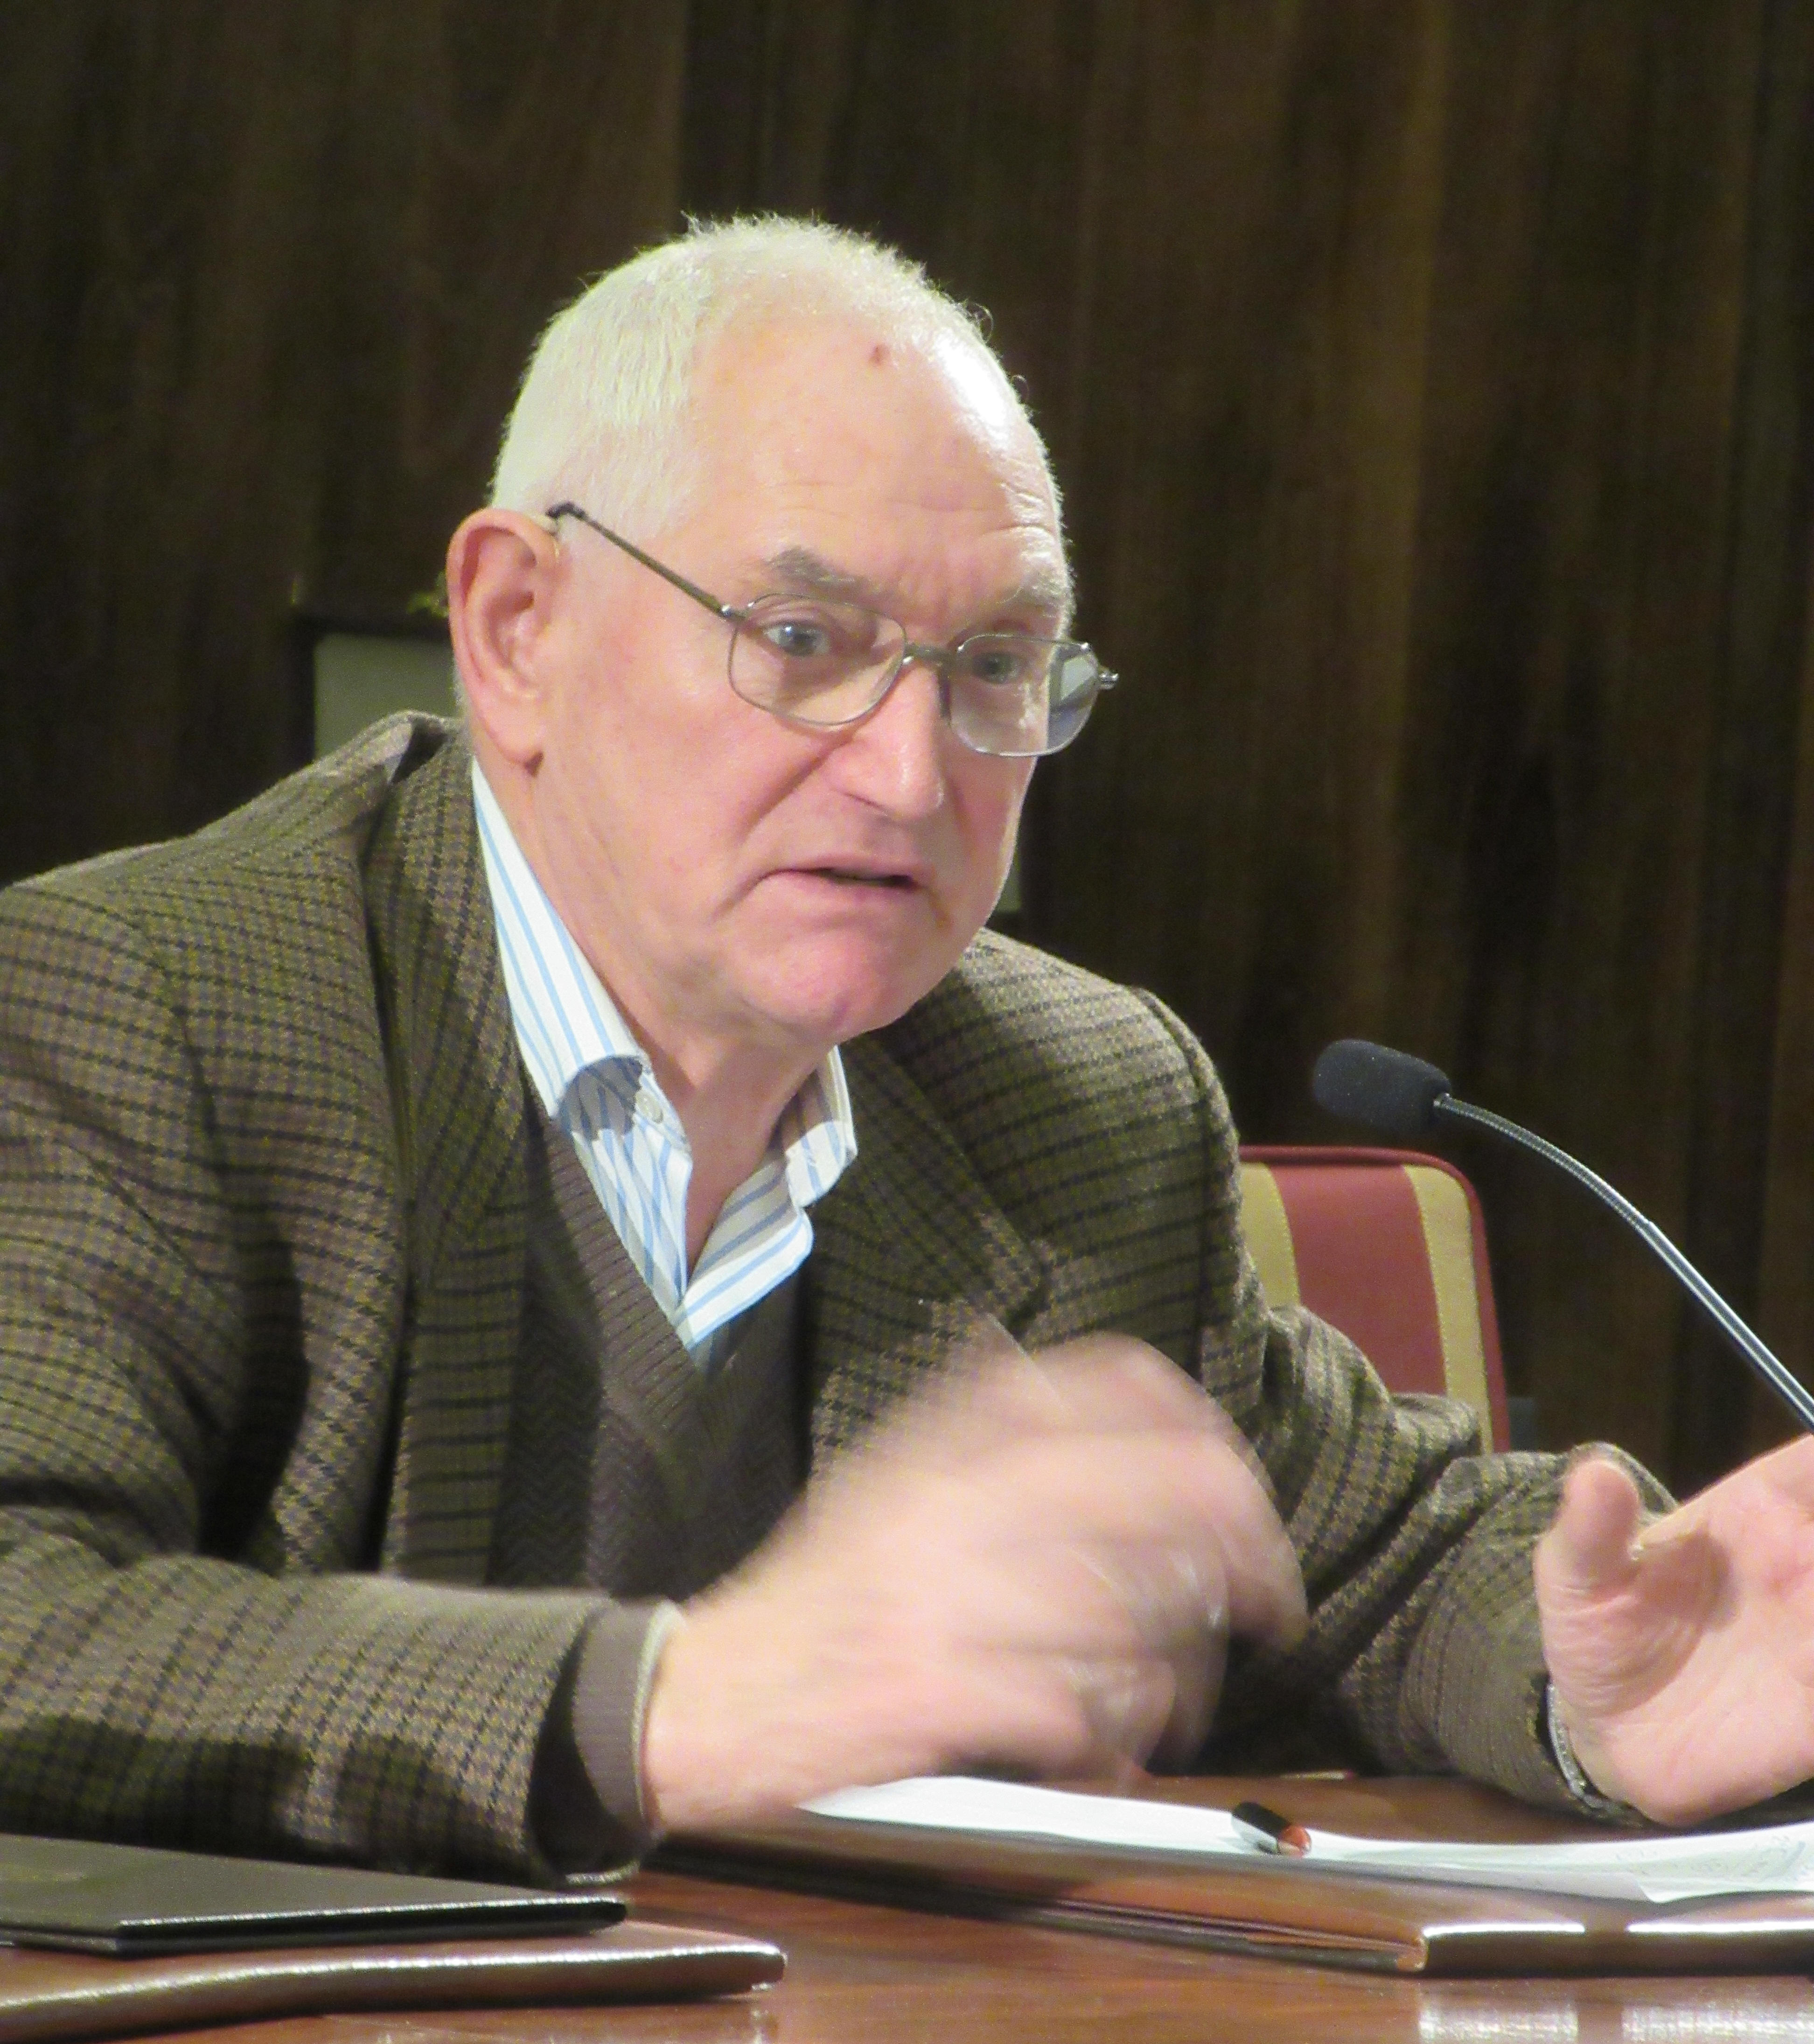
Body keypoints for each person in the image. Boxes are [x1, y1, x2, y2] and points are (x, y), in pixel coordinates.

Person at [2, 219, 1810, 1884]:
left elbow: (1371, 1560)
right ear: (516, 632)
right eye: (801, 641)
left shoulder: (1071, 1099)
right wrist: (675, 1701)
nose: (908, 773)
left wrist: (1596, 1689)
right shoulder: (142, 1007)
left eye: (996, 666)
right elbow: (25, 1619)